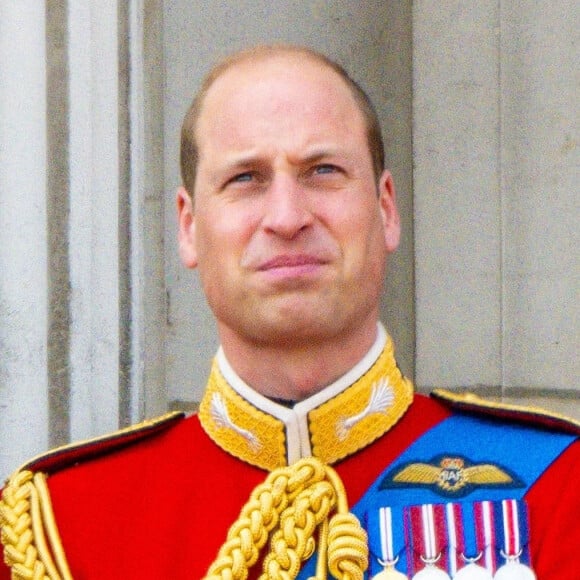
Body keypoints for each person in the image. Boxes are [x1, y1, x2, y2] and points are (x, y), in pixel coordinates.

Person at [1, 44, 578, 580]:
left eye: (322, 171)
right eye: (245, 178)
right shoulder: (62, 525)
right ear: (189, 227)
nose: (286, 216)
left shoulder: (556, 485)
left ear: (386, 208)